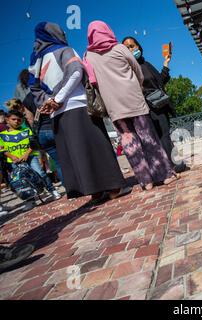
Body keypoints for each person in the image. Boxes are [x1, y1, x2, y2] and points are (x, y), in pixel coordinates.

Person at [29, 22, 130, 203]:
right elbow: (76, 72)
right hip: (77, 106)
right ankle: (114, 187)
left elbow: (34, 89)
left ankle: (94, 192)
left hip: (56, 114)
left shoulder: (36, 61)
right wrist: (58, 99)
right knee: (96, 146)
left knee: (77, 153)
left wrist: (49, 102)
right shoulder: (63, 50)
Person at [85, 21, 179, 191]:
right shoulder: (119, 48)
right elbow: (137, 70)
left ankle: (146, 181)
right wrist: (136, 85)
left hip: (114, 106)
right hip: (134, 100)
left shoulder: (88, 56)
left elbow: (92, 81)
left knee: (129, 142)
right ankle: (164, 175)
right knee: (148, 137)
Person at [122, 36, 187, 172]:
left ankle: (171, 163)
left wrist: (166, 63)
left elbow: (160, 82)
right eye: (127, 48)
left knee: (164, 134)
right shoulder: (129, 69)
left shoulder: (146, 64)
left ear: (138, 46)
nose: (130, 49)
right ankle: (173, 165)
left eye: (132, 46)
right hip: (147, 107)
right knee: (160, 135)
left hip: (160, 104)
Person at [0, 110, 61, 201]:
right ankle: (30, 201)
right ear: (7, 120)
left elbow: (33, 144)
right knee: (22, 180)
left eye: (19, 120)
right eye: (14, 119)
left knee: (40, 173)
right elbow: (2, 149)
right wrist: (12, 157)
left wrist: (26, 154)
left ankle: (52, 190)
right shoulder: (2, 135)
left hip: (30, 157)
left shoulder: (27, 130)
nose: (17, 121)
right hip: (14, 161)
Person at [15, 69, 64, 183]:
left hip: (42, 133)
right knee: (69, 157)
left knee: (57, 162)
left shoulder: (26, 99)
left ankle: (71, 190)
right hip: (55, 127)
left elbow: (30, 119)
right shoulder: (45, 91)